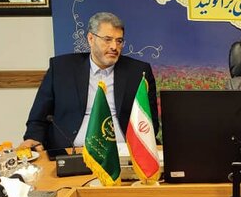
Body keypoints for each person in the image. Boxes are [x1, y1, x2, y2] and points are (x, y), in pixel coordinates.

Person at [19, 12, 159, 151]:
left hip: (123, 153)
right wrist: (33, 138)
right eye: (107, 39)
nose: (114, 47)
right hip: (72, 151)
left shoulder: (138, 72)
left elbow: (150, 122)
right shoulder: (62, 68)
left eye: (119, 41)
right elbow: (39, 117)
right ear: (91, 39)